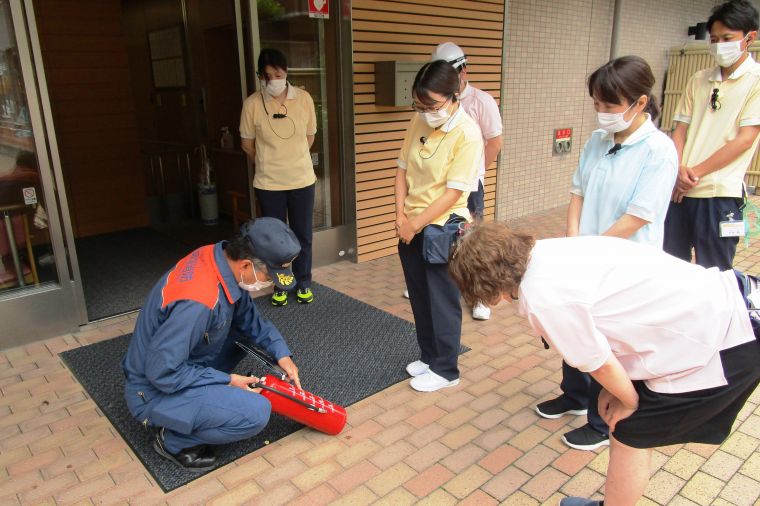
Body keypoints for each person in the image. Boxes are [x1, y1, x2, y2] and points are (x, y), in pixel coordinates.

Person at [449, 222, 760, 506]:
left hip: (725, 335)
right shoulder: (549, 250)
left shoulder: (543, 297)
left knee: (630, 432)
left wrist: (629, 401)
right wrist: (616, 392)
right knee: (627, 426)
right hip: (732, 298)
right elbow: (609, 336)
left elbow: (599, 364)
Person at [535, 56, 678, 452]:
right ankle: (575, 395)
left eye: (610, 106)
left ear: (640, 102)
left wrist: (588, 250)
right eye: (597, 104)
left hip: (623, 263)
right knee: (572, 326)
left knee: (607, 342)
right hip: (586, 253)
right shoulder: (598, 141)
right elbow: (578, 192)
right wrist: (573, 241)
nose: (602, 113)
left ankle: (602, 421)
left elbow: (637, 216)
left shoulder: (658, 150)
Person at [122, 217, 302, 471]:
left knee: (241, 336)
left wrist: (282, 355)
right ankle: (173, 441)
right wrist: (228, 381)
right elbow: (162, 373)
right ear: (247, 265)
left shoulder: (219, 258)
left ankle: (201, 404)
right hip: (153, 391)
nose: (271, 283)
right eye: (269, 276)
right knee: (257, 412)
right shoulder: (197, 302)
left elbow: (251, 321)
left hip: (178, 360)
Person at [395, 60, 483, 392]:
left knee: (441, 299)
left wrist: (414, 223)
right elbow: (401, 169)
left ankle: (447, 368)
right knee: (419, 296)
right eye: (420, 105)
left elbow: (455, 192)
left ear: (454, 94)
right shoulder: (418, 121)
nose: (425, 112)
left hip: (442, 227)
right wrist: (400, 216)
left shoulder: (467, 133)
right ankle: (429, 355)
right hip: (411, 226)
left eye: (431, 105)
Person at [665, 0, 760, 271]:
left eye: (727, 38)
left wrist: (692, 174)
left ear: (749, 38)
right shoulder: (698, 79)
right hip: (679, 193)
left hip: (720, 196)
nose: (719, 46)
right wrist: (678, 169)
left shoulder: (756, 80)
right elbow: (679, 130)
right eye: (715, 39)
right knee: (672, 268)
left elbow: (745, 140)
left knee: (716, 273)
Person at [427, 41, 503, 321]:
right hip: (440, 185)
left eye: (453, 72)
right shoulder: (436, 101)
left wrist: (474, 172)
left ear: (464, 70)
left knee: (471, 240)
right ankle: (443, 286)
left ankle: (480, 297)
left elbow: (494, 142)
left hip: (469, 186)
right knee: (441, 234)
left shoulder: (481, 101)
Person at [240, 48, 317, 306]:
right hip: (268, 182)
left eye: (279, 74)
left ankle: (304, 281)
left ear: (287, 73)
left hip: (302, 180)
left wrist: (292, 158)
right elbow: (247, 144)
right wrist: (266, 162)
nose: (275, 79)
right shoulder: (252, 104)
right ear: (261, 76)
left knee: (302, 234)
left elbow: (310, 136)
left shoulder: (304, 98)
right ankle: (281, 284)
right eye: (269, 75)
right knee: (273, 239)